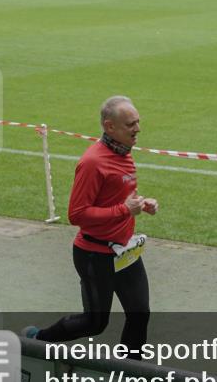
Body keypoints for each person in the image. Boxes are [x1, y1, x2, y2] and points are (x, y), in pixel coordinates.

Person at [26, 96, 158, 359]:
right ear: (110, 127)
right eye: (130, 124)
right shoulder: (92, 162)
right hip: (95, 255)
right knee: (94, 323)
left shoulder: (123, 152)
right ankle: (37, 340)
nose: (138, 129)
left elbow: (117, 196)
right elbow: (77, 214)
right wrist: (124, 210)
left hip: (125, 252)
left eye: (138, 122)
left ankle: (129, 373)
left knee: (139, 313)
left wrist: (141, 204)